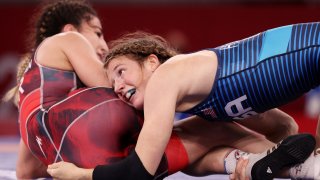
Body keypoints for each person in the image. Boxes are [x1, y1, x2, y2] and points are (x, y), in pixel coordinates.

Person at [92, 23, 319, 180]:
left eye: (121, 72)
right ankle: (258, 163)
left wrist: (79, 174)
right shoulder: (206, 101)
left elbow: (139, 172)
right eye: (113, 85)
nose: (118, 86)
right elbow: (285, 127)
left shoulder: (164, 77)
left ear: (152, 62)